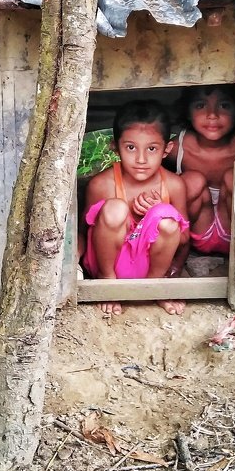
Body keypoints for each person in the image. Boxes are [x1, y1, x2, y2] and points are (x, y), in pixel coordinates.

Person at [82, 100, 190, 316]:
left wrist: (160, 210)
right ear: (115, 146)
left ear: (167, 149)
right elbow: (87, 236)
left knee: (166, 217)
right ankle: (109, 287)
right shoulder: (102, 184)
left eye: (151, 149)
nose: (141, 159)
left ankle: (153, 288)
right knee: (115, 208)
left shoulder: (173, 185)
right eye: (131, 148)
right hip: (109, 265)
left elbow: (185, 239)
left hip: (150, 268)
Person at [167, 84, 235, 261]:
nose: (212, 115)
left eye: (224, 105)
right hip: (193, 236)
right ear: (187, 112)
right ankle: (177, 252)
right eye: (200, 105)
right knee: (193, 180)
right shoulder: (176, 149)